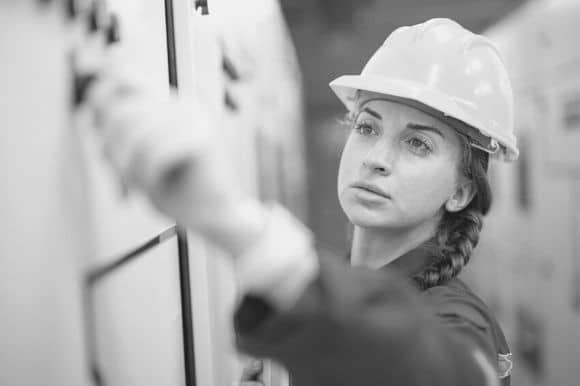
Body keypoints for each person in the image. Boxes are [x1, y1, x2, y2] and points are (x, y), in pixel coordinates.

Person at [90, 18, 516, 386]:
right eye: (367, 128)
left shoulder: (459, 321)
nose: (376, 160)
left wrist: (238, 227)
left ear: (461, 191)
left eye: (418, 143)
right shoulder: (349, 283)